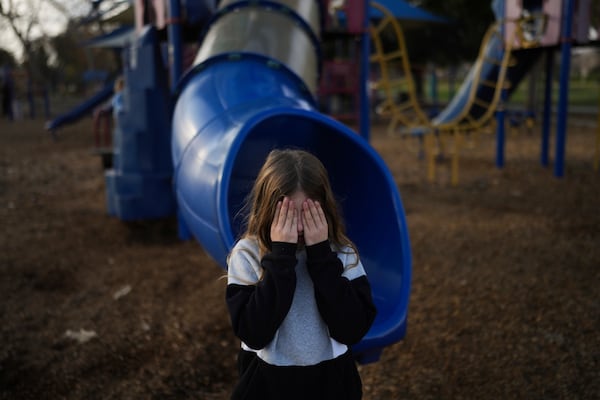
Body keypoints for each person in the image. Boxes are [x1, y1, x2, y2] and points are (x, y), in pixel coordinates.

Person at [226, 149, 377, 400]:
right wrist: (281, 257)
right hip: (266, 387)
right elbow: (253, 332)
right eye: (287, 215)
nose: (297, 227)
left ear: (324, 209)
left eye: (306, 214)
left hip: (332, 385)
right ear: (266, 210)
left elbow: (352, 330)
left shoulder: (340, 253)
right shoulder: (248, 255)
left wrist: (321, 257)